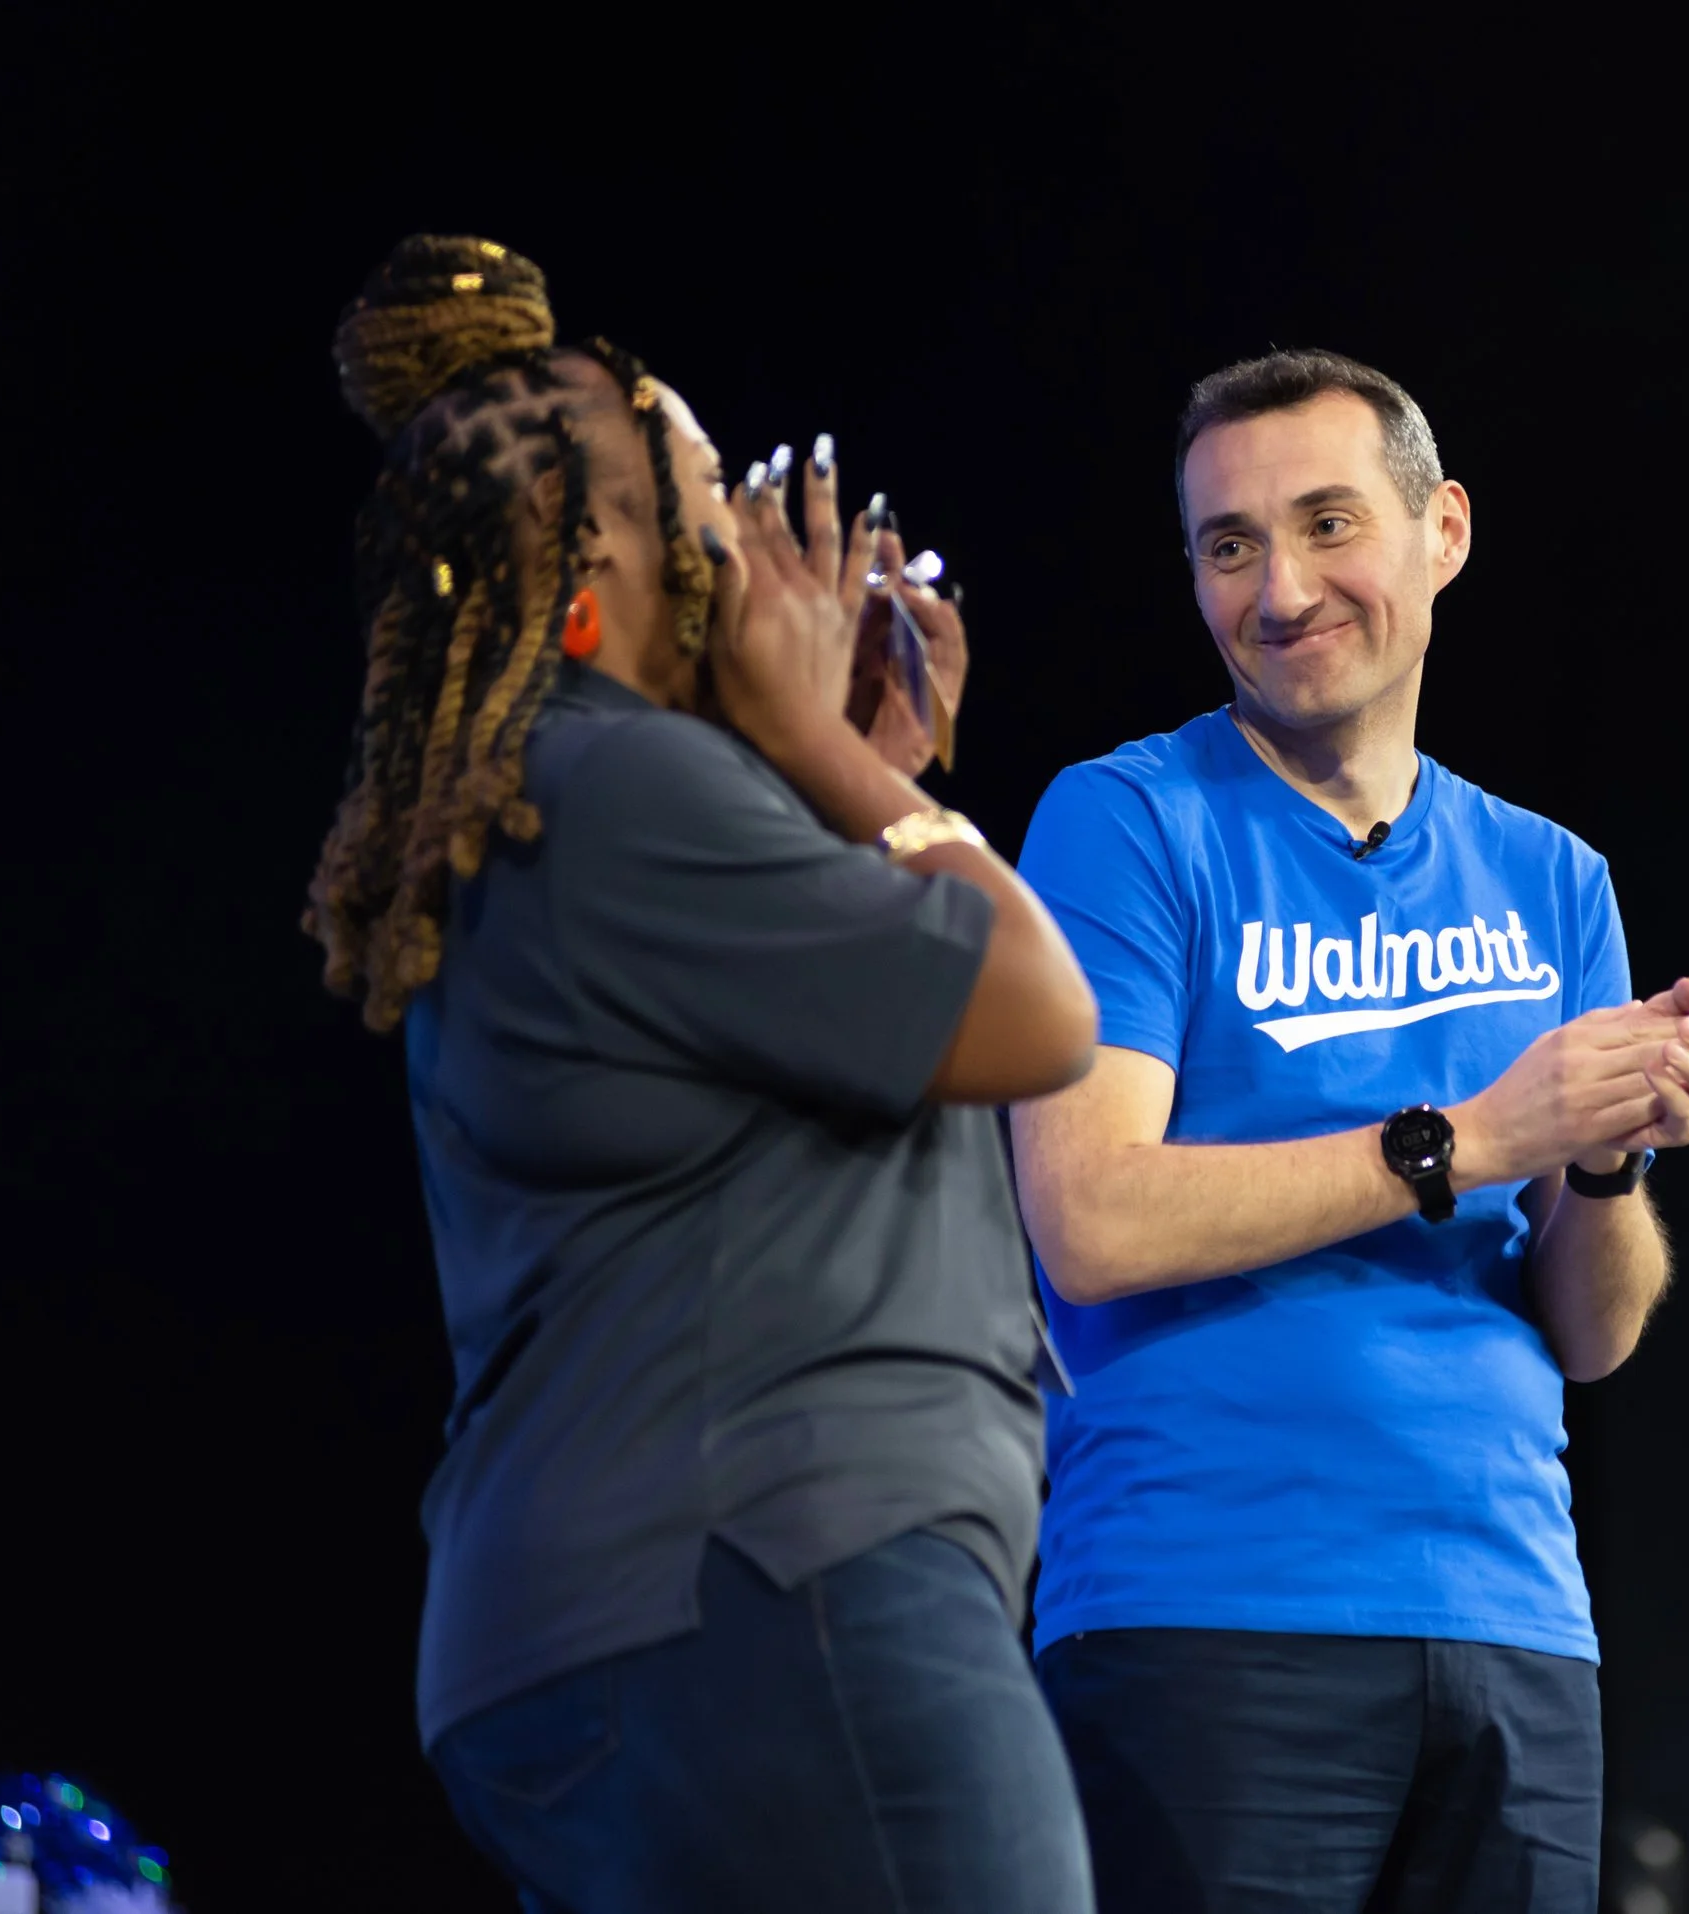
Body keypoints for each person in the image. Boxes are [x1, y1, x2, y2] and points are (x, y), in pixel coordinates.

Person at [303, 235, 1099, 1913]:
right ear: (596, 547)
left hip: (643, 1612)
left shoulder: (585, 797)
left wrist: (858, 770)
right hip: (773, 1577)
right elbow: (1039, 1011)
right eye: (704, 491)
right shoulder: (619, 789)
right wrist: (830, 757)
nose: (746, 539)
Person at [1009, 349, 1689, 1914]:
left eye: (1326, 523)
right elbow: (1087, 1217)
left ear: (1445, 531)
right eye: (1228, 545)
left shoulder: (1554, 877)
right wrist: (1469, 1140)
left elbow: (1595, 1331)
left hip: (1514, 1623)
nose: (1279, 590)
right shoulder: (1128, 821)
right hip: (1204, 1611)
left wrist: (1606, 1154)